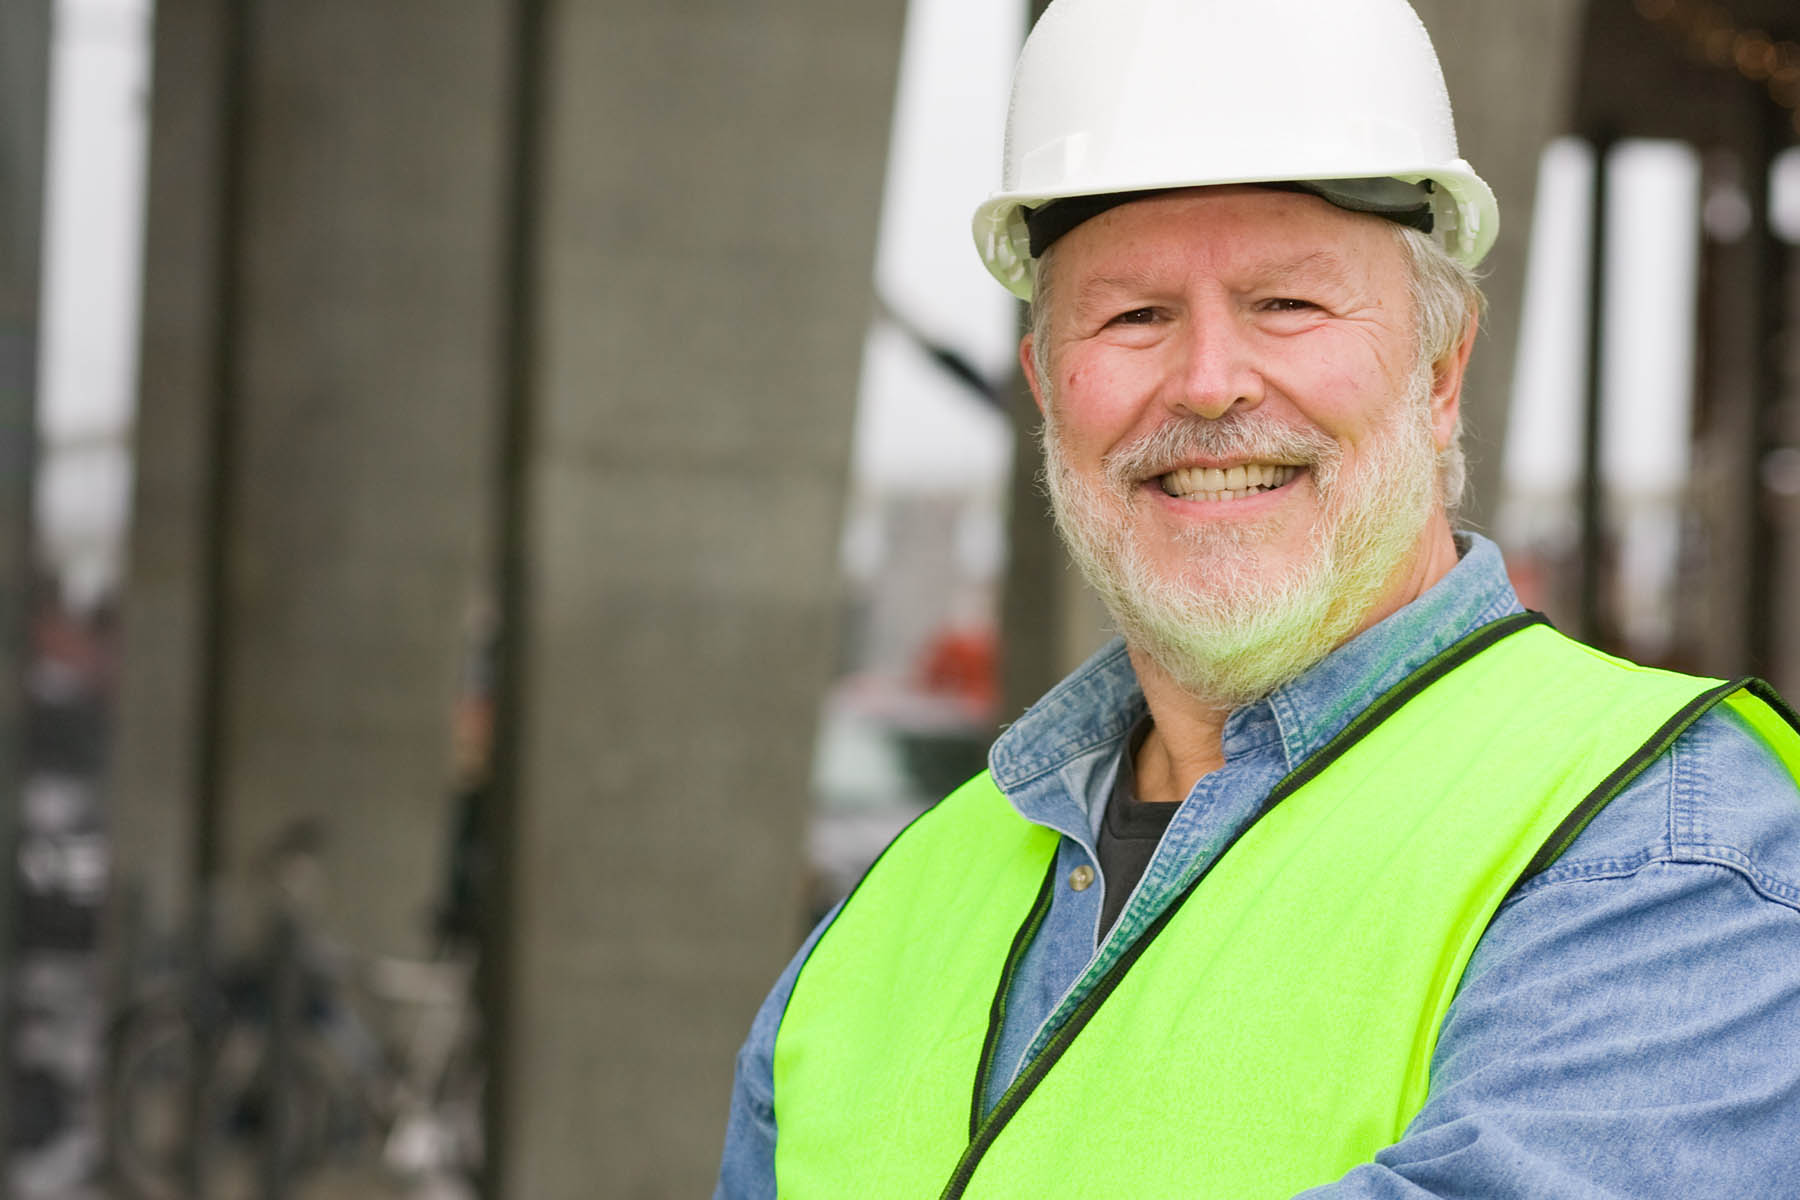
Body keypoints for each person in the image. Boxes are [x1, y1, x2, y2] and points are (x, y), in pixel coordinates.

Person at [716, 0, 1800, 1195]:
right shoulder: (893, 916)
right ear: (1045, 384)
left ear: (1441, 373)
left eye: (1288, 303)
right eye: (1134, 316)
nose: (1210, 384)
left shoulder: (1663, 845)